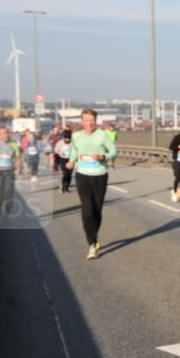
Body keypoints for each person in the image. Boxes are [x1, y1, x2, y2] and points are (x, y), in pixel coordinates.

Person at [66, 109, 117, 260]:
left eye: (92, 120)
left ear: (96, 121)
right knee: (87, 210)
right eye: (86, 120)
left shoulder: (102, 135)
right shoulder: (76, 136)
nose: (89, 123)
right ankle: (92, 243)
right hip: (82, 175)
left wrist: (102, 156)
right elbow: (75, 151)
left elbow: (113, 150)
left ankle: (94, 235)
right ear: (82, 121)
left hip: (100, 176)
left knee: (97, 210)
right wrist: (71, 160)